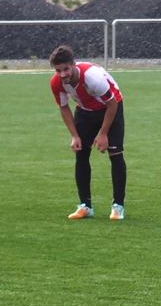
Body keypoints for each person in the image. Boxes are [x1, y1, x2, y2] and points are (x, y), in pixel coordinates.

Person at [49, 45, 127, 220]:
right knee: (81, 153)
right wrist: (75, 135)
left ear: (73, 64)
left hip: (111, 107)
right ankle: (85, 206)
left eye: (66, 69)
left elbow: (112, 104)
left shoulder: (92, 78)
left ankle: (118, 206)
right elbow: (63, 107)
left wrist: (103, 133)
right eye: (58, 70)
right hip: (85, 110)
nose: (62, 74)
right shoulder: (56, 82)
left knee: (115, 154)